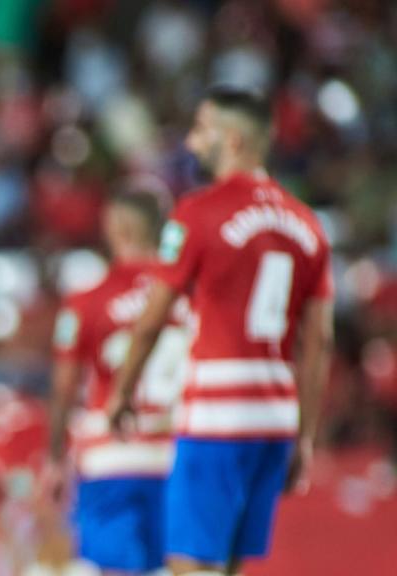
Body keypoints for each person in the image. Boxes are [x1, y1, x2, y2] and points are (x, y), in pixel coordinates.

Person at [108, 87, 334, 576]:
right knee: (229, 566)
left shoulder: (196, 213)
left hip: (217, 414)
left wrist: (122, 391)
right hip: (275, 417)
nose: (191, 143)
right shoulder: (309, 225)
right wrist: (305, 435)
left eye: (200, 130)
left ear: (232, 140)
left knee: (190, 565)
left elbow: (151, 320)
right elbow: (319, 341)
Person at [48, 191, 189, 575]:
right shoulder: (188, 296)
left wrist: (55, 458)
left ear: (117, 228)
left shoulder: (87, 300)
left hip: (111, 453)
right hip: (178, 452)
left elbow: (64, 388)